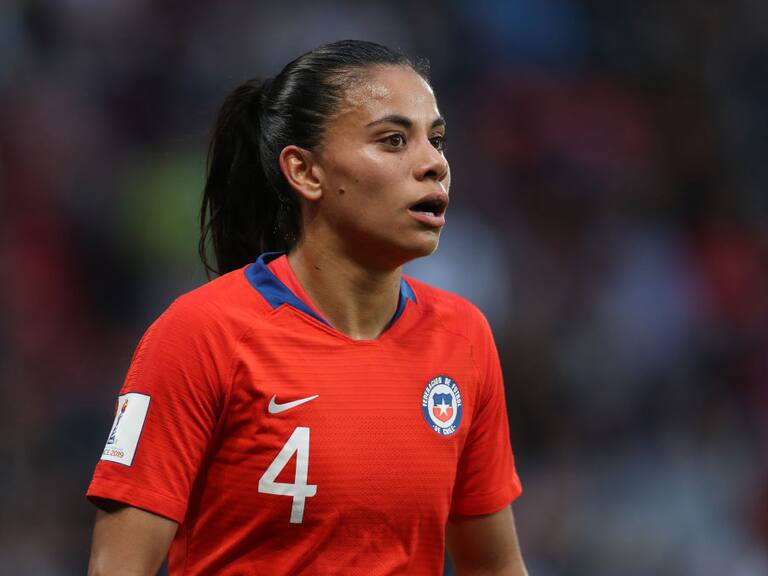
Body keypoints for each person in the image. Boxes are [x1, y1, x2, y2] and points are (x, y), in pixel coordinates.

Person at [86, 39, 528, 576]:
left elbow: (495, 567)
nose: (434, 164)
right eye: (393, 140)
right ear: (305, 172)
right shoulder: (200, 333)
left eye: (436, 140)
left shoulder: (463, 337)